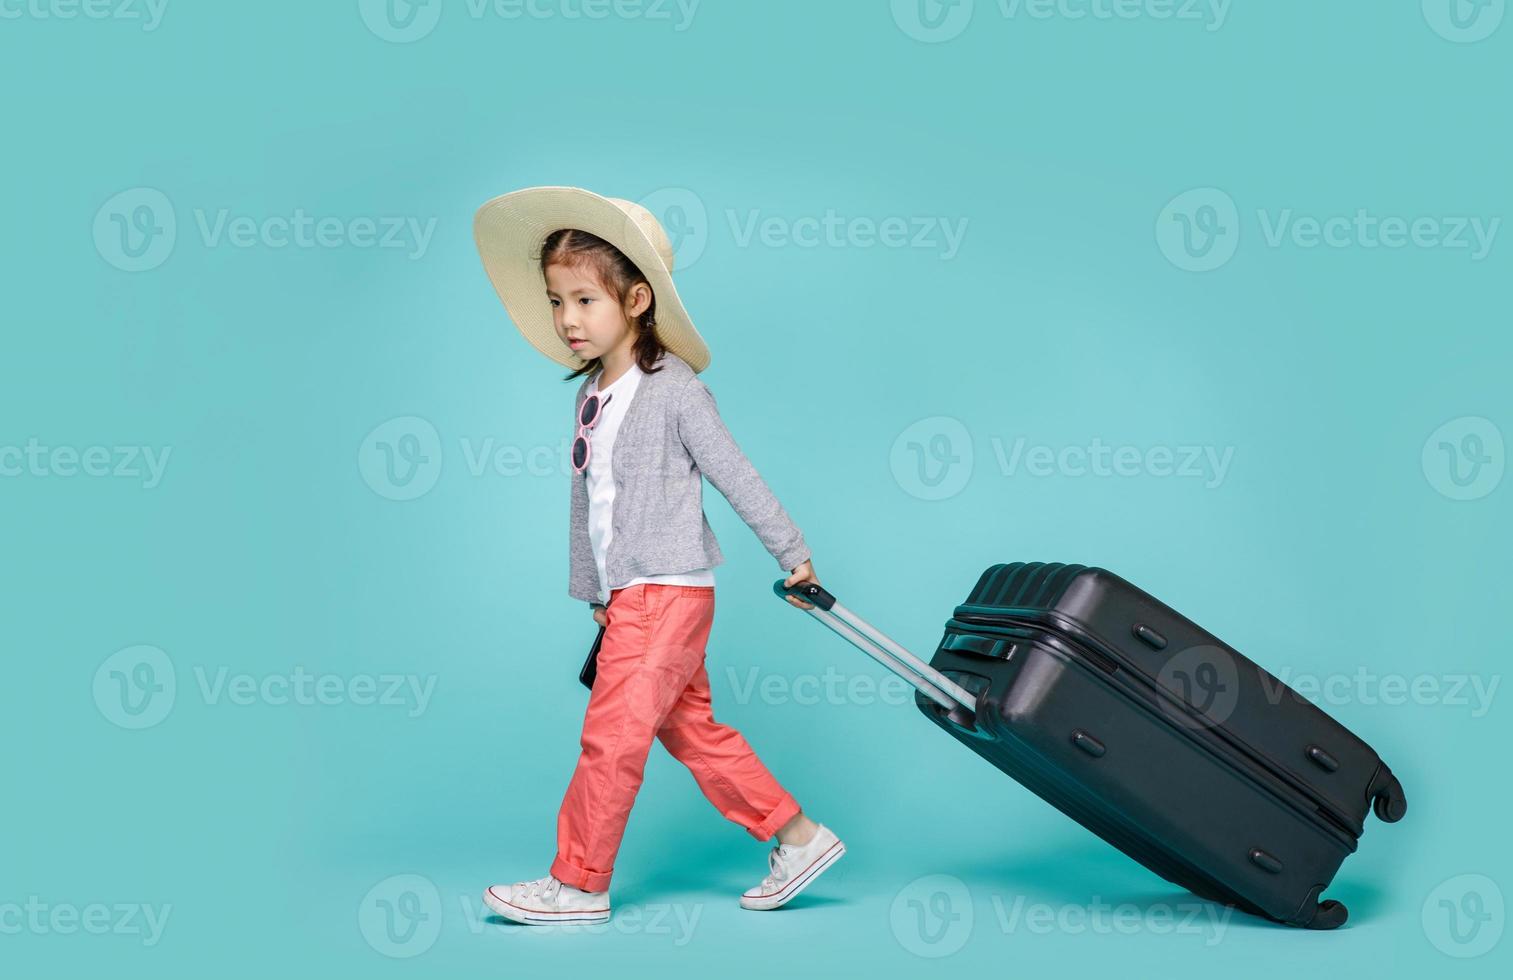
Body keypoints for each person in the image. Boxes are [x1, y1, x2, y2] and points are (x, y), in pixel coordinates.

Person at [472, 186, 846, 925]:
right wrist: (596, 593)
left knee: (610, 742)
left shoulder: (674, 390)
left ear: (637, 298)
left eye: (584, 299)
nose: (567, 319)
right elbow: (589, 506)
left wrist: (791, 551)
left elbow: (733, 472)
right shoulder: (593, 396)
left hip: (666, 592)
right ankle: (798, 838)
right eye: (556, 302)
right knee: (691, 731)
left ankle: (578, 883)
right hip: (634, 598)